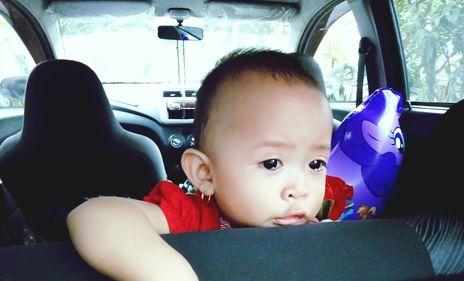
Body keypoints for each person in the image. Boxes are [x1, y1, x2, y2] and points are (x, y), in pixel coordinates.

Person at [67, 48, 352, 281]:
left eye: (315, 163)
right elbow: (94, 214)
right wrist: (169, 273)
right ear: (204, 173)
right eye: (272, 163)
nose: (300, 188)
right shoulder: (197, 218)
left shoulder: (324, 206)